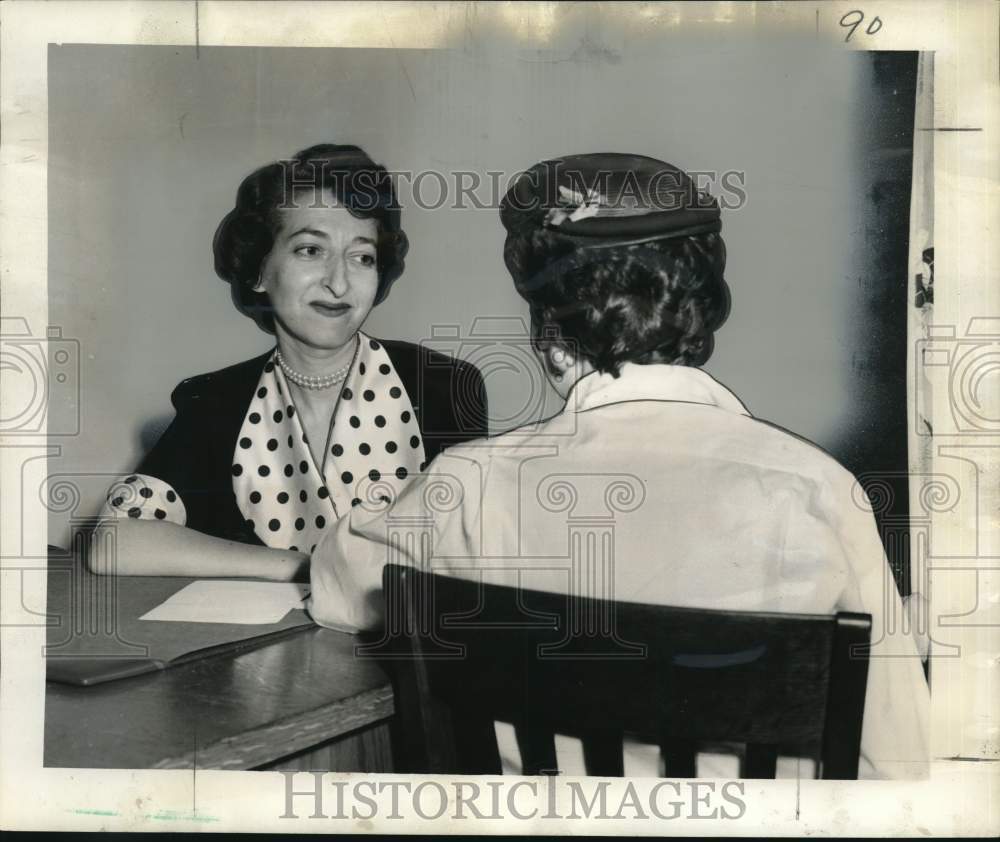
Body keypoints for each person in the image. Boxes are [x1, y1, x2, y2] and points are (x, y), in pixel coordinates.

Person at [307, 152, 929, 779]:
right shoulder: (819, 488)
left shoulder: (467, 483)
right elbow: (899, 758)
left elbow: (336, 588)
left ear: (549, 342)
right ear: (700, 316)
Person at [92, 144, 487, 580]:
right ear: (259, 270)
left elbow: (467, 559)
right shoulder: (215, 402)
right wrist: (304, 569)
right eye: (310, 251)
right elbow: (114, 541)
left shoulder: (443, 386)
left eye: (362, 257)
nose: (338, 283)